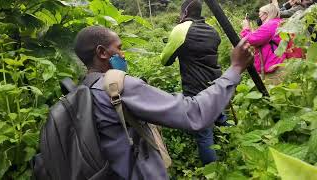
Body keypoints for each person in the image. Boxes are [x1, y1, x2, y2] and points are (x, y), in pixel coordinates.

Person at [74, 26, 253, 179]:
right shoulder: (118, 86)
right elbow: (194, 113)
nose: (123, 55)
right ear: (102, 52)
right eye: (119, 48)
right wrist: (235, 68)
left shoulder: (81, 91)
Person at [160, 0, 228, 165]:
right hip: (216, 82)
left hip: (196, 88)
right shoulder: (212, 30)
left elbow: (165, 60)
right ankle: (232, 145)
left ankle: (212, 172)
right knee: (220, 116)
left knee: (204, 133)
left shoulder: (181, 29)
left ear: (184, 13)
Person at [241, 3, 285, 78]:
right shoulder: (278, 22)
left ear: (266, 14)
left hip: (274, 66)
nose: (259, 17)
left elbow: (251, 40)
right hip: (279, 62)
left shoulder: (270, 25)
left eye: (260, 15)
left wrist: (246, 28)